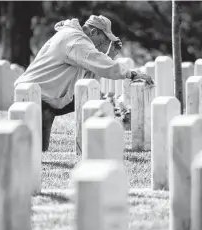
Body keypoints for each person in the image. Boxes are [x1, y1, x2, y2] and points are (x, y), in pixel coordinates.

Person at [14, 15, 154, 151]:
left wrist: (110, 56)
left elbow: (89, 80)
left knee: (37, 150)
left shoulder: (76, 41)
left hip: (46, 99)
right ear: (94, 32)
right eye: (103, 40)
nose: (103, 45)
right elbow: (97, 61)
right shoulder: (75, 39)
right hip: (32, 96)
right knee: (22, 148)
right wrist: (131, 74)